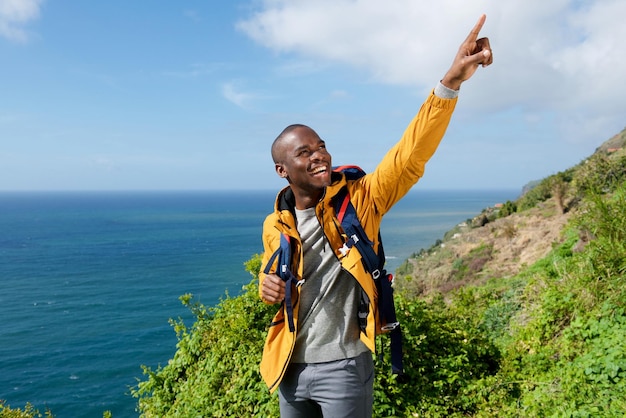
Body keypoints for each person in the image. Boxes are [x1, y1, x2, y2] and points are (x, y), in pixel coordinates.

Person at [258, 14, 493, 418]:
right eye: (304, 152)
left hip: (344, 367)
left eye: (321, 145)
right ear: (283, 170)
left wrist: (449, 84)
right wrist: (265, 287)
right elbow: (274, 278)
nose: (319, 155)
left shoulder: (362, 198)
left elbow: (409, 155)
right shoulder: (274, 223)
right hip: (288, 368)